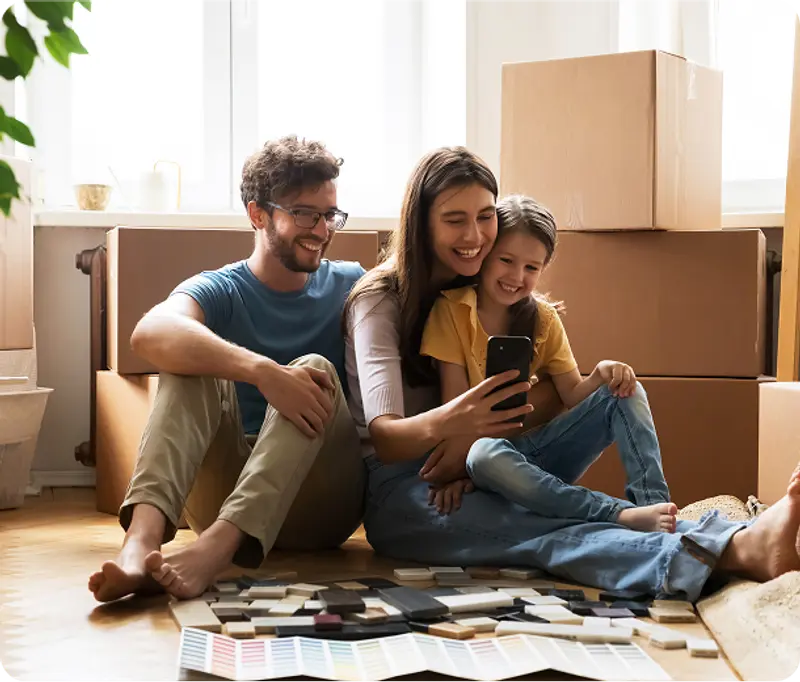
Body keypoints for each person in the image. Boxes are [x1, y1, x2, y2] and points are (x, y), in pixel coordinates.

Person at [342, 145, 800, 601]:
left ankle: (685, 523)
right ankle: (731, 547)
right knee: (542, 532)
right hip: (408, 490)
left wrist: (492, 430)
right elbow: (386, 438)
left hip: (484, 463)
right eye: (454, 219)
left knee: (603, 413)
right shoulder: (380, 300)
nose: (476, 235)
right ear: (420, 222)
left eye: (485, 216)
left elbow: (545, 398)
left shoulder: (488, 289)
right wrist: (463, 426)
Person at [88, 135, 368, 603]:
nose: (321, 230)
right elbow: (149, 333)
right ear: (258, 214)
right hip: (225, 494)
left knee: (314, 369)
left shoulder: (352, 283)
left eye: (330, 215)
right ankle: (141, 543)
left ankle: (214, 551)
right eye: (304, 213)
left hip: (323, 502)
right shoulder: (222, 288)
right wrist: (264, 373)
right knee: (184, 361)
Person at [418, 194, 677, 532]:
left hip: (544, 454)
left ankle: (655, 507)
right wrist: (463, 473)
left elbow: (572, 396)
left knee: (626, 390)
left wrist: (600, 375)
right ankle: (613, 513)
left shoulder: (544, 318)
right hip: (489, 460)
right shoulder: (451, 311)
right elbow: (455, 415)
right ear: (485, 254)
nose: (516, 276)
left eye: (531, 268)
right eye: (506, 260)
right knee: (484, 453)